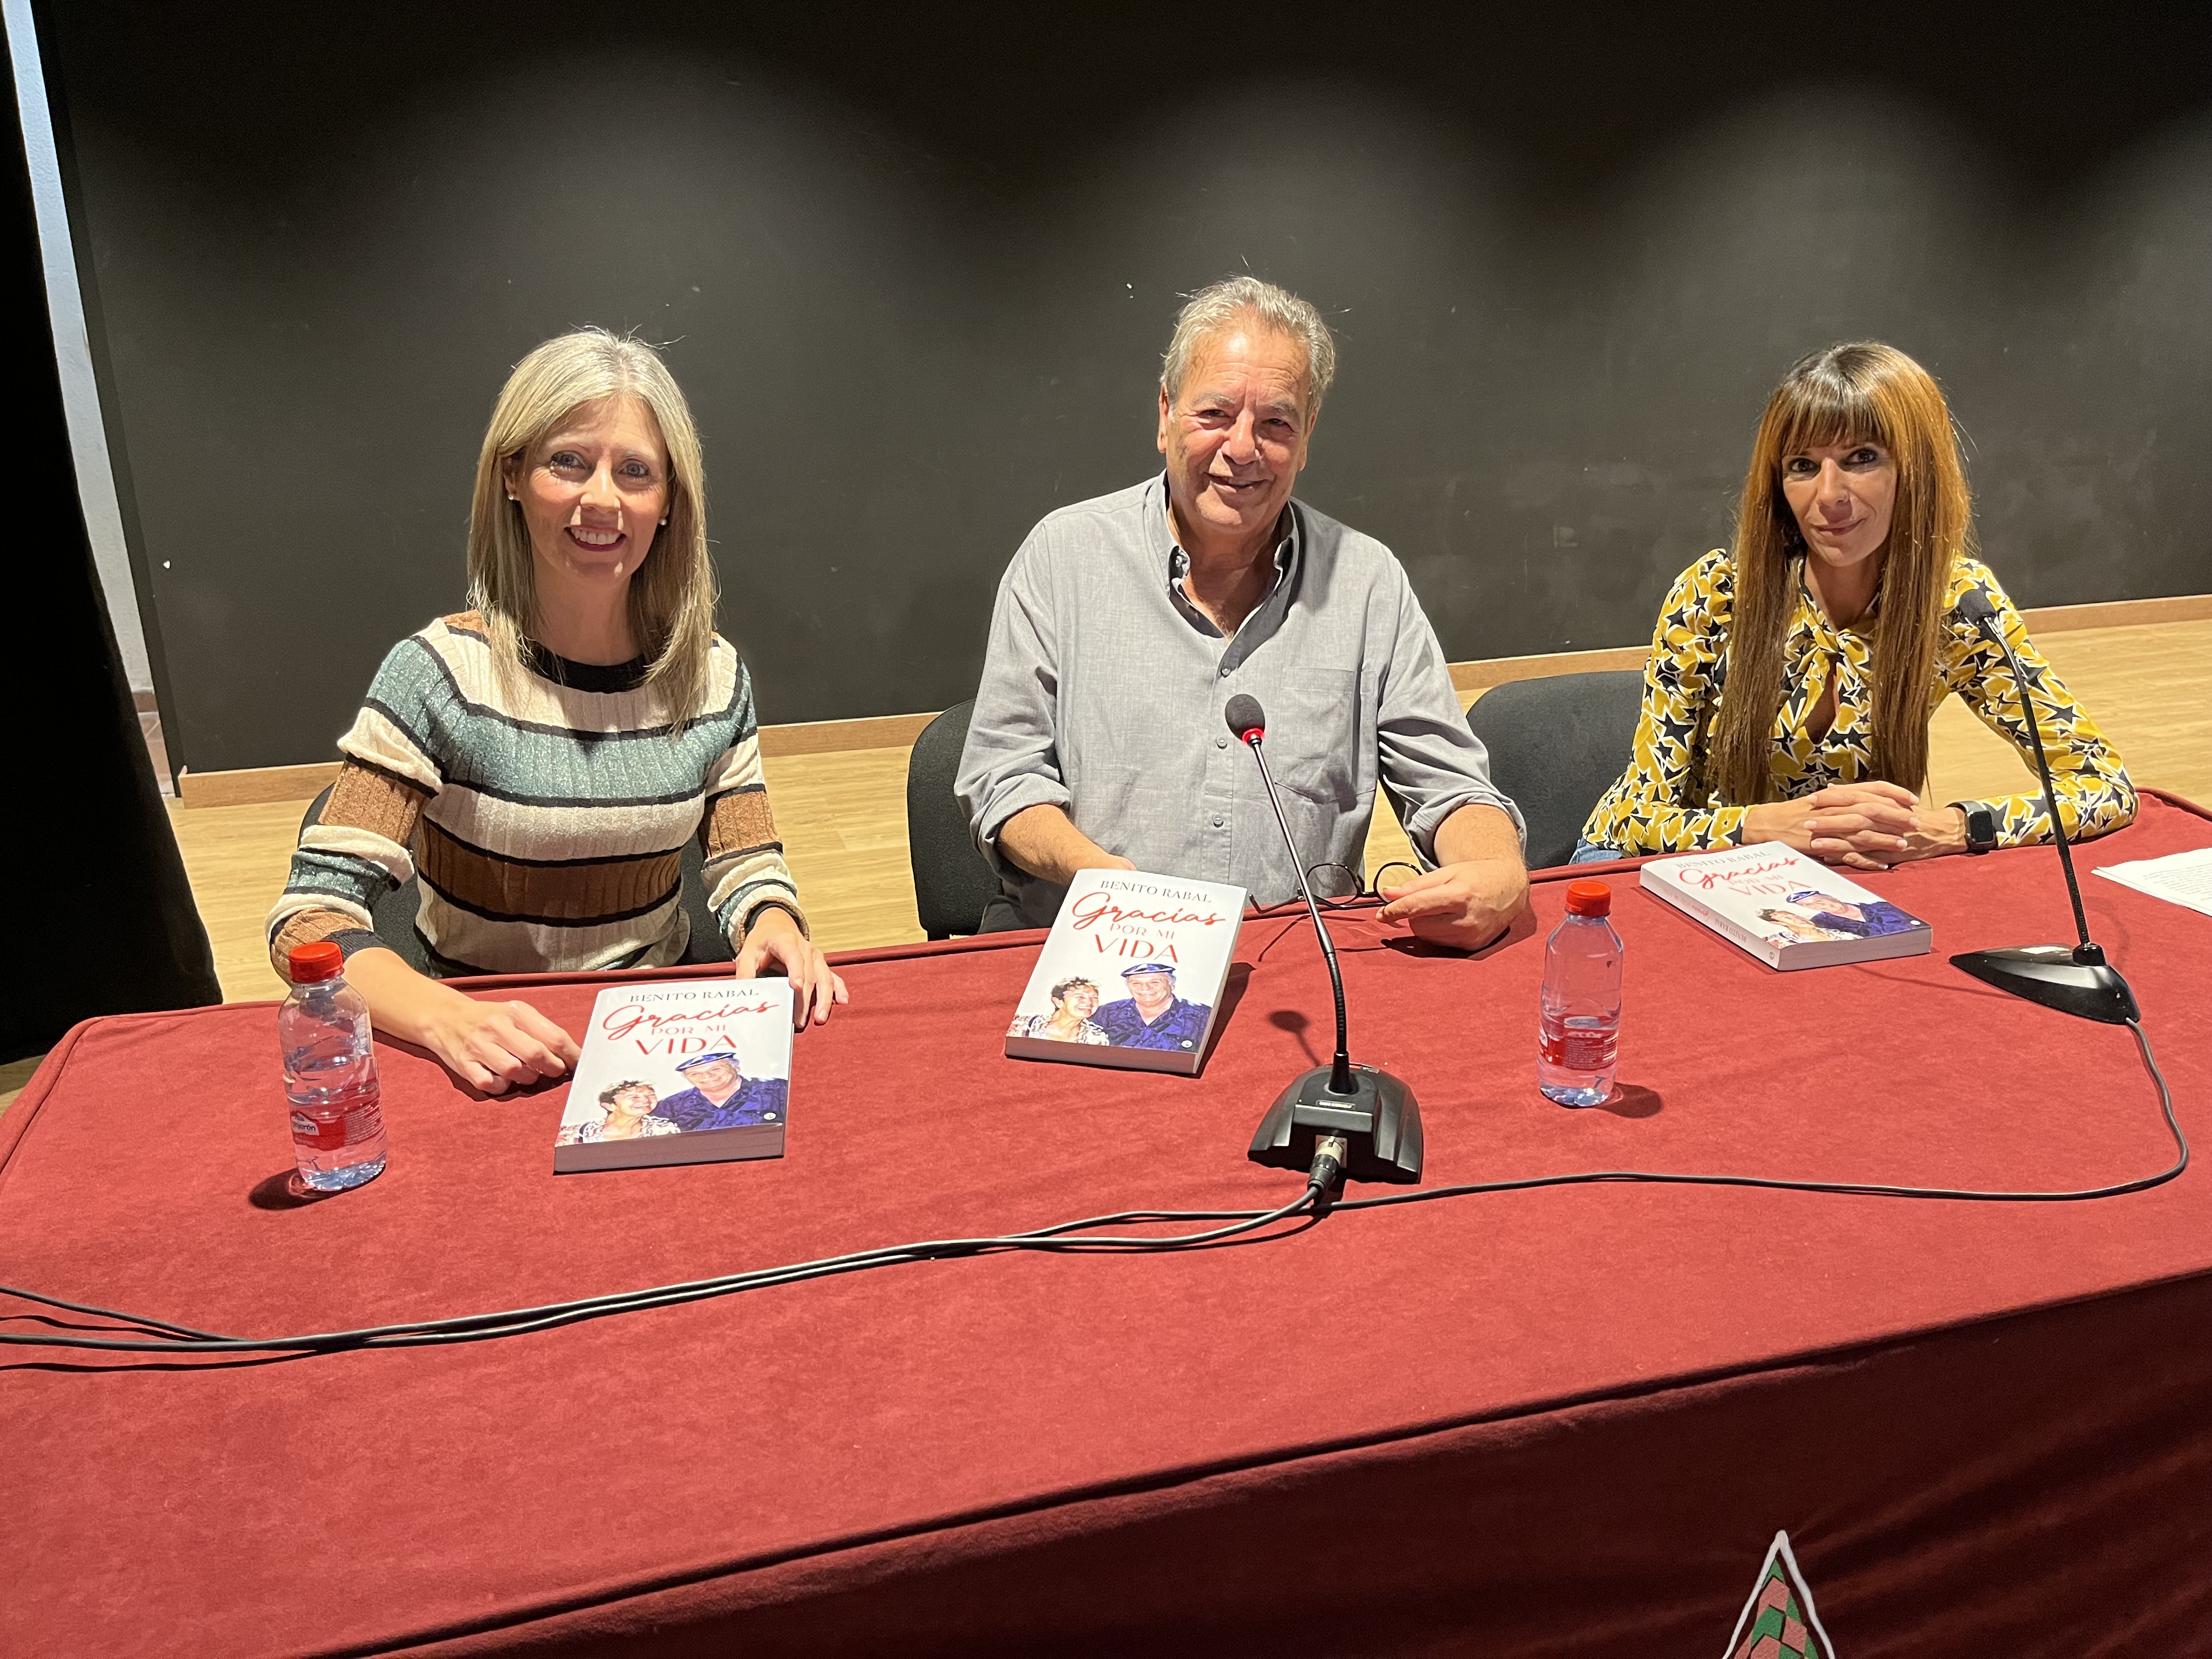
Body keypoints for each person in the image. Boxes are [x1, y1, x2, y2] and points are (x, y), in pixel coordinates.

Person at [266, 329, 847, 1096]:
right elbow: (310, 916)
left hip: (659, 1046)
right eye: (568, 461)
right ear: (513, 474)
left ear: (669, 500)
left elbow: (747, 862)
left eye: (635, 471)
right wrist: (445, 1017)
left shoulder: (712, 676)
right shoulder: (436, 675)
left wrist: (773, 921)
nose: (601, 498)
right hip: (484, 1058)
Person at [957, 276, 1527, 949]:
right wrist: (1111, 884)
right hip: (1088, 947)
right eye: (1215, 415)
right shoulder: (1063, 557)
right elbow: (1004, 776)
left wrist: (1498, 869)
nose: (1243, 448)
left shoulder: (1368, 583)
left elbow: (1450, 784)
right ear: (1165, 415)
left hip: (1293, 964)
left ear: (1308, 436)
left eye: (1277, 423)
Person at [1579, 341, 2135, 867]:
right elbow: (1636, 819)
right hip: (1647, 868)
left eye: (1861, 458)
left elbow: (2105, 788)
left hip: (1821, 883)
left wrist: (1954, 828)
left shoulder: (1959, 607)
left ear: (1916, 470)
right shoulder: (1715, 595)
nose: (1828, 495)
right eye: (1802, 465)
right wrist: (1765, 827)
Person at [651, 1052, 788, 1132]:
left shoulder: (778, 1090)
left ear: (736, 1067)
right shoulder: (670, 1106)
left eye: (715, 1069)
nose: (707, 1077)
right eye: (695, 1074)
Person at [1091, 963, 1210, 1052]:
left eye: (1155, 983)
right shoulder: (1106, 1013)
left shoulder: (1202, 1016)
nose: (1145, 989)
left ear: (1172, 985)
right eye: (1136, 984)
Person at [556, 1080, 681, 1146]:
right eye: (634, 1097)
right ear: (609, 1106)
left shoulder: (664, 1129)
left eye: (650, 1095)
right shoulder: (574, 1133)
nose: (646, 1101)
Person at [1007, 976, 1110, 1043]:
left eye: (1094, 998)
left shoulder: (1097, 1039)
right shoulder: (1022, 1024)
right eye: (1080, 997)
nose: (1089, 1003)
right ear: (1058, 1002)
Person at [1783, 890, 1917, 939]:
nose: (1818, 905)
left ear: (1831, 897)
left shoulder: (1881, 906)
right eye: (1808, 905)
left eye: (1818, 901)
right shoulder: (1821, 923)